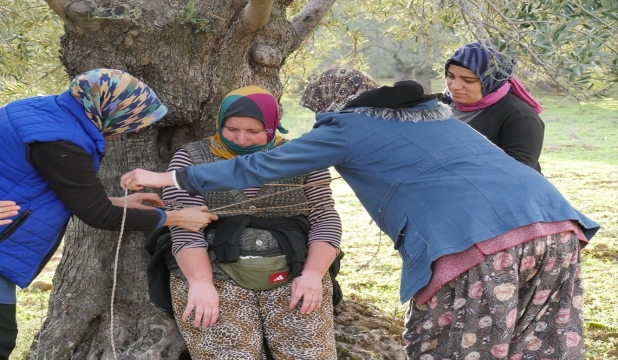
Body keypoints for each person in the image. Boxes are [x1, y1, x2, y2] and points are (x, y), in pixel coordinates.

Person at [121, 74, 599, 359]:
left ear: (329, 107)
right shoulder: (435, 116)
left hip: (477, 241)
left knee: (460, 341)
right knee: (537, 343)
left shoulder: (347, 125)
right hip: (554, 224)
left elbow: (264, 165)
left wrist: (167, 180)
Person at [0, 69, 217, 359]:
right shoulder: (60, 141)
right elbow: (98, 216)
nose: (133, 129)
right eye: (134, 120)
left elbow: (41, 189)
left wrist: (118, 202)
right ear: (111, 109)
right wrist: (177, 218)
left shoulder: (41, 113)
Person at [162, 85, 341, 359]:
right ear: (219, 122)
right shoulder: (190, 159)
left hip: (295, 271)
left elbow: (324, 217)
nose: (241, 139)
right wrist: (200, 283)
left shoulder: (303, 158)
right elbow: (184, 226)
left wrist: (314, 275)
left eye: (254, 132)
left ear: (272, 127)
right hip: (214, 272)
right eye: (232, 129)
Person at [441, 41, 545, 172]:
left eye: (468, 80)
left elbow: (516, 173)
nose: (454, 86)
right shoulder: (437, 104)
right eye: (450, 76)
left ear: (491, 80)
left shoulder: (520, 117)